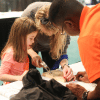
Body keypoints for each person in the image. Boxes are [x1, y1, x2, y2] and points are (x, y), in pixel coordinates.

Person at [49, 0, 100, 99]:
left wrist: (84, 95)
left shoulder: (87, 38)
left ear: (69, 24)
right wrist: (95, 74)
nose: (63, 33)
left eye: (61, 30)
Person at [22, 1, 75, 81]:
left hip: (51, 46)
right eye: (45, 32)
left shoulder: (63, 22)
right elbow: (20, 39)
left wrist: (65, 66)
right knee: (29, 75)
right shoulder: (28, 16)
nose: (49, 35)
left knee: (51, 74)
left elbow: (62, 51)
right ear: (38, 25)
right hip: (29, 45)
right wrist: (32, 53)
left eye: (53, 34)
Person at [0, 17, 38, 85]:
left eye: (34, 38)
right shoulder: (10, 53)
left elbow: (25, 70)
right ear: (21, 37)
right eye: (31, 38)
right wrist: (19, 78)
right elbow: (2, 75)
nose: (33, 41)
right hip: (10, 88)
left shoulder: (24, 50)